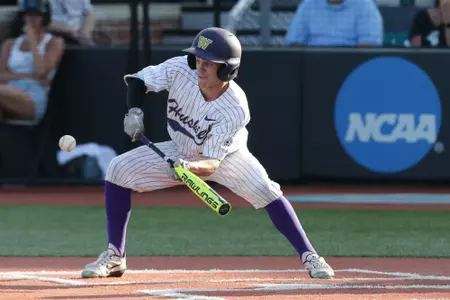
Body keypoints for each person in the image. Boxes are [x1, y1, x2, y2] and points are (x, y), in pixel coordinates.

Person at [80, 27, 335, 280]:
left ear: (227, 69)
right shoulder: (182, 68)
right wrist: (134, 112)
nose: (200, 67)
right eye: (198, 59)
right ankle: (115, 256)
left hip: (226, 157)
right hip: (180, 147)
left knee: (266, 191)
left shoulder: (235, 107)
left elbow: (211, 164)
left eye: (209, 64)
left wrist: (187, 169)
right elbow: (138, 81)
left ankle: (310, 255)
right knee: (118, 169)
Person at [0, 0, 65, 123]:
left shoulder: (54, 42)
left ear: (44, 17)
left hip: (33, 96)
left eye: (36, 15)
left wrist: (33, 41)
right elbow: (1, 75)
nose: (31, 19)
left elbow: (40, 72)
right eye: (28, 15)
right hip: (8, 92)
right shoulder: (10, 44)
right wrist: (29, 76)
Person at [285, 0, 383, 47]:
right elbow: (294, 42)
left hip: (350, 70)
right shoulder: (308, 5)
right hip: (312, 67)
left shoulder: (365, 6)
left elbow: (368, 47)